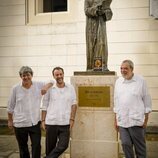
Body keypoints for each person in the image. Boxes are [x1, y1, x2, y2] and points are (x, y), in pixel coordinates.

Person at [7, 66, 54, 158]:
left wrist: (45, 87)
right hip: (20, 124)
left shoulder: (38, 85)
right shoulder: (15, 88)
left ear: (31, 75)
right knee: (23, 147)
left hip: (35, 123)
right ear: (21, 77)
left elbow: (52, 81)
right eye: (23, 75)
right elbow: (10, 107)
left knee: (37, 145)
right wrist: (10, 120)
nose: (26, 77)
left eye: (28, 75)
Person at [114, 60, 152, 158]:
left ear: (132, 69)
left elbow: (147, 100)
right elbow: (116, 102)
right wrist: (115, 120)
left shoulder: (141, 80)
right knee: (125, 145)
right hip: (122, 121)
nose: (123, 70)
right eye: (121, 68)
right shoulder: (118, 82)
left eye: (125, 68)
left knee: (140, 149)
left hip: (136, 121)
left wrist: (146, 120)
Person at [41, 66, 77, 158]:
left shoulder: (70, 88)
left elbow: (74, 104)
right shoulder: (50, 89)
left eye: (61, 74)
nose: (59, 76)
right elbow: (44, 105)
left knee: (63, 145)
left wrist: (72, 119)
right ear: (54, 76)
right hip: (51, 122)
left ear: (63, 74)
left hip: (65, 123)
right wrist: (43, 120)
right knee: (50, 148)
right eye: (57, 75)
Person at [84, 0, 113, 71]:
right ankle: (91, 67)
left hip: (101, 24)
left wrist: (104, 12)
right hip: (91, 26)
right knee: (91, 46)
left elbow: (109, 13)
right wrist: (96, 10)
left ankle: (102, 65)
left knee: (101, 44)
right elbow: (86, 10)